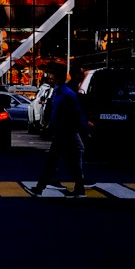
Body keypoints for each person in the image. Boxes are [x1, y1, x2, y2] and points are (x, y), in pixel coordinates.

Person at [25, 69, 90, 198]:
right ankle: (78, 188)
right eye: (49, 78)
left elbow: (71, 112)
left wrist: (50, 126)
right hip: (64, 131)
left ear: (59, 79)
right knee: (61, 160)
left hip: (65, 131)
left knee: (57, 160)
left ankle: (40, 188)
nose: (50, 80)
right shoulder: (61, 92)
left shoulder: (65, 93)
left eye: (52, 78)